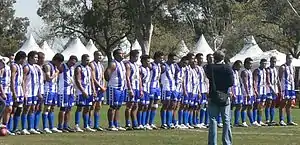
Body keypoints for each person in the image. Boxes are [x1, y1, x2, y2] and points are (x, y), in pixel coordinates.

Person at [206, 51, 234, 145]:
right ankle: (227, 142)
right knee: (226, 120)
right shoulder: (227, 68)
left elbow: (208, 76)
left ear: (214, 57)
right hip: (224, 95)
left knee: (213, 120)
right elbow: (231, 83)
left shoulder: (210, 67)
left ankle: (212, 142)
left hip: (213, 95)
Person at [104, 49, 126, 131]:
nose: (123, 55)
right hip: (114, 88)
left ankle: (116, 124)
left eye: (123, 53)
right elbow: (106, 74)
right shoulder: (113, 64)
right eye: (121, 53)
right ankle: (111, 125)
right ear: (116, 55)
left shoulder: (122, 63)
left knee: (118, 107)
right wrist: (109, 81)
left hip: (121, 88)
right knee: (113, 106)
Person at [43, 53, 64, 133]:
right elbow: (48, 78)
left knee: (52, 108)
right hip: (48, 89)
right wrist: (56, 74)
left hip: (54, 89)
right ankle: (45, 127)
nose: (60, 64)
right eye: (59, 62)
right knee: (47, 108)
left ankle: (51, 126)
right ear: (56, 60)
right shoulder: (48, 66)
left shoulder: (55, 67)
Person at [74, 54, 96, 132]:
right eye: (86, 60)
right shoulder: (79, 68)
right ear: (82, 60)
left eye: (88, 60)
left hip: (89, 90)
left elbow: (91, 80)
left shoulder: (89, 68)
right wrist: (83, 91)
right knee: (80, 107)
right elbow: (78, 80)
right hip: (81, 91)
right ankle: (76, 125)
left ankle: (86, 125)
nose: (88, 62)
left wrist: (93, 90)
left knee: (88, 108)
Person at [57, 55, 78, 132]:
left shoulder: (72, 68)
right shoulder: (62, 67)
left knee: (69, 108)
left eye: (74, 63)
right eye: (72, 62)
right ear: (69, 60)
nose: (73, 64)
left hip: (71, 90)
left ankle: (66, 125)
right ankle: (60, 126)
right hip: (63, 90)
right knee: (63, 108)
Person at [22, 51, 40, 134]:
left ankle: (31, 128)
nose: (37, 59)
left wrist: (38, 92)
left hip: (34, 92)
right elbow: (24, 80)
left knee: (33, 109)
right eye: (35, 57)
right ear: (30, 58)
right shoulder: (26, 67)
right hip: (28, 92)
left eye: (37, 57)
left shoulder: (36, 67)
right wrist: (24, 92)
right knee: (26, 109)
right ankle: (23, 128)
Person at [278, 54, 297, 126]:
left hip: (291, 88)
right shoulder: (283, 67)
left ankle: (289, 120)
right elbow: (279, 79)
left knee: (290, 104)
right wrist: (280, 88)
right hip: (285, 87)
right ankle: (281, 120)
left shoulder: (293, 67)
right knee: (283, 103)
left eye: (291, 58)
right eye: (289, 58)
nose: (290, 60)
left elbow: (293, 77)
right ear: (286, 59)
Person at [124, 50, 141, 130]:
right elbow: (127, 77)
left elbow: (139, 78)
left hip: (137, 87)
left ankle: (135, 123)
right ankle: (128, 123)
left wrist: (140, 89)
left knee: (136, 105)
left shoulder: (137, 65)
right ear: (132, 56)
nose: (137, 58)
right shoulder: (128, 65)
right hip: (131, 87)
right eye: (136, 56)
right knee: (129, 106)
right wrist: (130, 89)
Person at [11, 51, 27, 135]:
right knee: (12, 109)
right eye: (24, 59)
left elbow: (22, 81)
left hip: (20, 90)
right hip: (15, 90)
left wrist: (24, 92)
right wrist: (14, 92)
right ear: (21, 58)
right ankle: (9, 128)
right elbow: (12, 80)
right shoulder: (14, 66)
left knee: (19, 109)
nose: (25, 61)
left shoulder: (21, 66)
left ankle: (15, 128)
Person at [89, 51, 106, 131]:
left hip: (100, 88)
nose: (99, 57)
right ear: (94, 55)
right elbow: (93, 78)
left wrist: (104, 86)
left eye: (100, 55)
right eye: (98, 55)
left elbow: (102, 77)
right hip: (94, 88)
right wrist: (99, 86)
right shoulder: (91, 64)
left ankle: (96, 124)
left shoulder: (101, 65)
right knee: (92, 106)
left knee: (99, 106)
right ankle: (88, 124)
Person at [147, 51, 163, 129]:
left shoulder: (160, 66)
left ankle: (151, 122)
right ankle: (146, 122)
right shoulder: (151, 65)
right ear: (156, 57)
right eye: (161, 58)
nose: (162, 60)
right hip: (151, 86)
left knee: (155, 105)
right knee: (150, 104)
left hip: (157, 87)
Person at [160, 53, 176, 129]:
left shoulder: (173, 66)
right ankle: (164, 123)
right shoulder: (163, 66)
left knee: (172, 105)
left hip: (172, 88)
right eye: (173, 59)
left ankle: (169, 122)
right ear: (169, 58)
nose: (174, 60)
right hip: (166, 88)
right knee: (165, 105)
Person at [240, 58, 258, 127]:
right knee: (244, 106)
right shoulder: (244, 72)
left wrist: (254, 91)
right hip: (245, 91)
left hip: (251, 91)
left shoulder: (250, 71)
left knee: (250, 106)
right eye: (250, 64)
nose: (251, 65)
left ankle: (252, 121)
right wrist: (247, 93)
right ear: (246, 64)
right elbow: (245, 83)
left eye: (251, 64)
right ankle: (243, 121)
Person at [0, 57, 15, 135]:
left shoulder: (10, 67)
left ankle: (5, 126)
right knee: (2, 107)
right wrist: (2, 92)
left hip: (8, 90)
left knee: (9, 109)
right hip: (2, 90)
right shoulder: (2, 68)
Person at [174, 56, 188, 129]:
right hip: (174, 88)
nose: (185, 65)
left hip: (180, 89)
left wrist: (184, 89)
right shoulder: (175, 67)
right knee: (173, 105)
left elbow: (182, 80)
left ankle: (177, 121)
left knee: (178, 106)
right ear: (181, 61)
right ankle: (173, 121)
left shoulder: (183, 69)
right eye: (184, 63)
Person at [138, 55, 151, 130]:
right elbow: (139, 80)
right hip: (142, 89)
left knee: (146, 106)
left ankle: (144, 123)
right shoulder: (140, 69)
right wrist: (141, 89)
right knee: (141, 106)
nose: (149, 63)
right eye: (147, 61)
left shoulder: (148, 69)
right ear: (143, 61)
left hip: (147, 90)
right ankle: (140, 123)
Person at [265, 56, 280, 126]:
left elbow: (277, 80)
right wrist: (273, 90)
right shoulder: (267, 69)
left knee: (273, 104)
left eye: (275, 62)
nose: (274, 63)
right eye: (272, 61)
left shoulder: (276, 69)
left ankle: (272, 119)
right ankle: (267, 119)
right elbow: (268, 81)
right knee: (269, 103)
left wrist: (279, 89)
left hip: (275, 87)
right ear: (270, 62)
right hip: (269, 88)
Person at [195, 53, 209, 128]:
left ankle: (201, 122)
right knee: (198, 106)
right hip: (198, 89)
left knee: (204, 106)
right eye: (200, 58)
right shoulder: (196, 68)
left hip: (203, 89)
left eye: (202, 59)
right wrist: (198, 91)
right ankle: (196, 122)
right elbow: (196, 80)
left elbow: (204, 79)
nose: (201, 60)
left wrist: (206, 89)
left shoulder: (201, 68)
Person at [253, 59, 268, 126]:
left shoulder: (265, 71)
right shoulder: (257, 71)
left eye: (265, 63)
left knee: (262, 106)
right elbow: (255, 81)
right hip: (259, 89)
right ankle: (255, 120)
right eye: (263, 63)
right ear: (260, 63)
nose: (264, 65)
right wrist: (255, 89)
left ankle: (259, 120)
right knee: (256, 105)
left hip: (264, 90)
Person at [230, 60, 245, 127]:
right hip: (234, 90)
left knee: (239, 105)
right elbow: (230, 83)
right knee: (232, 106)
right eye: (239, 66)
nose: (240, 68)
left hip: (238, 90)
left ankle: (236, 122)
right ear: (235, 65)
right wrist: (232, 92)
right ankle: (229, 121)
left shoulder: (236, 72)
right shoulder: (231, 71)